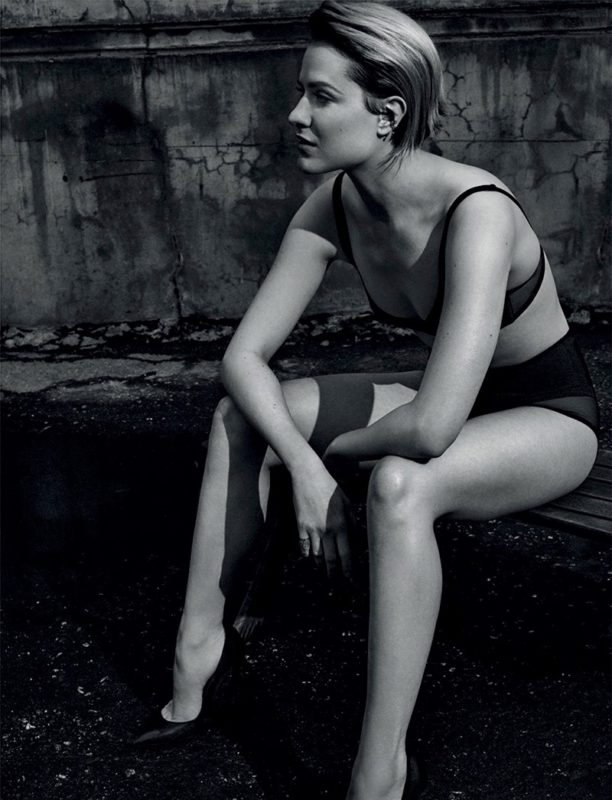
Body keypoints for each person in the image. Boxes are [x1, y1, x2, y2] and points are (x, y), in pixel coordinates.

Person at [133, 2, 599, 798]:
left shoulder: (477, 213)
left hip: (546, 416)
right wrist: (305, 467)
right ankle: (198, 656)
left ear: (386, 114)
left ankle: (380, 770)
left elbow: (433, 429)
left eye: (320, 97)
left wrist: (327, 465)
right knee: (243, 415)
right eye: (301, 93)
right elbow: (243, 358)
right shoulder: (334, 206)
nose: (295, 115)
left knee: (398, 485)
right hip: (449, 396)